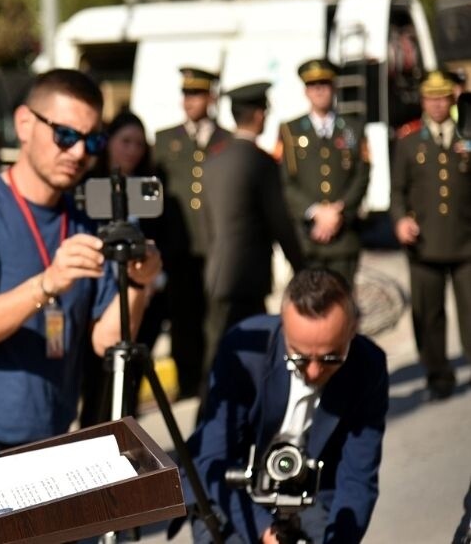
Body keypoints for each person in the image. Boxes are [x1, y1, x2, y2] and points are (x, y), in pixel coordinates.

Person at [0, 69, 162, 465]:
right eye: (66, 135)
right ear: (25, 124)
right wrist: (48, 284)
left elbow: (106, 340)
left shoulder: (86, 220)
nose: (79, 152)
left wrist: (137, 282)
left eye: (92, 139)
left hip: (51, 446)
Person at [182, 268, 388, 544]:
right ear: (283, 328)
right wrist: (265, 531)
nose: (314, 372)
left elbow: (358, 479)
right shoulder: (244, 348)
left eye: (331, 357)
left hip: (312, 496)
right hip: (231, 490)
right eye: (300, 357)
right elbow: (214, 458)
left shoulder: (368, 365)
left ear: (352, 329)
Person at [202, 82, 305, 402]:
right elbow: (279, 222)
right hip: (247, 275)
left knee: (218, 352)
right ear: (259, 115)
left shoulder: (212, 161)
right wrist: (301, 266)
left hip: (217, 274)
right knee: (249, 356)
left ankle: (211, 420)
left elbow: (208, 225)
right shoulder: (260, 162)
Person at [390, 70, 471, 402]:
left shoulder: (466, 136)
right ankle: (438, 376)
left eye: (443, 97)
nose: (437, 104)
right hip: (423, 246)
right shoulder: (409, 141)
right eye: (431, 98)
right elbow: (397, 192)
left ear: (452, 99)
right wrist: (399, 222)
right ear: (423, 101)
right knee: (428, 314)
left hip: (466, 242)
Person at [152, 67, 231, 398]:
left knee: (215, 318)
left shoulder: (225, 140)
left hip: (215, 245)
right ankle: (187, 381)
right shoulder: (166, 139)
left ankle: (214, 380)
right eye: (186, 94)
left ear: (211, 98)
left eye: (196, 94)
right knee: (183, 318)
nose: (189, 101)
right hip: (179, 246)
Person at [78, 110, 161, 425]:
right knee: (97, 400)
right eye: (125, 141)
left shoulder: (149, 192)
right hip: (98, 307)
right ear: (108, 142)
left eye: (139, 144)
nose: (132, 150)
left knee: (128, 400)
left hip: (141, 303)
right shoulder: (88, 189)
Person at [277, 59, 369, 287]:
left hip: (344, 238)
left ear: (334, 87)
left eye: (324, 83)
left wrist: (339, 212)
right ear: (305, 91)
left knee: (343, 305)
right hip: (307, 239)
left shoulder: (354, 128)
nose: (319, 90)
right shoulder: (289, 131)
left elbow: (362, 174)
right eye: (313, 84)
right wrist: (316, 212)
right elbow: (284, 180)